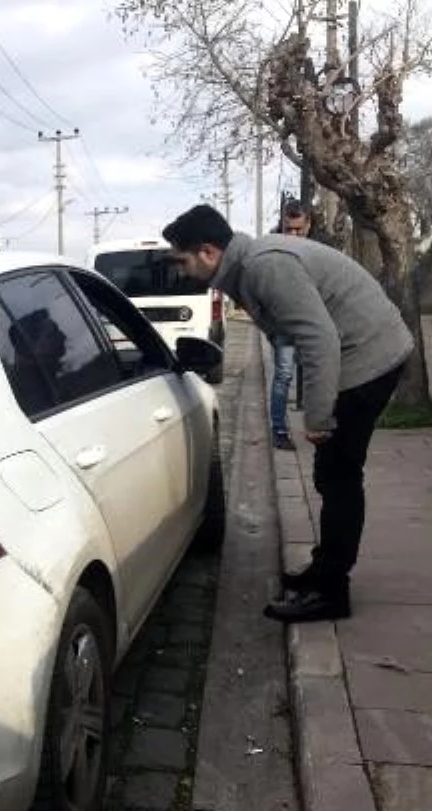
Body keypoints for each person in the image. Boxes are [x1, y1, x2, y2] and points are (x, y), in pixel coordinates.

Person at [162, 204, 413, 623]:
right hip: (363, 351)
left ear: (208, 252)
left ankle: (332, 591)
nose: (183, 271)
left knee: (338, 476)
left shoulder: (264, 267)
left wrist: (317, 417)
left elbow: (320, 339)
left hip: (369, 357)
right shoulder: (247, 268)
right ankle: (324, 570)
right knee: (331, 474)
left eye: (184, 260)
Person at [268, 199, 319, 451]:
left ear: (308, 224)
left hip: (312, 323)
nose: (295, 234)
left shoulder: (317, 250)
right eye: (290, 229)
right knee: (284, 375)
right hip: (284, 325)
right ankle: (278, 429)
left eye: (299, 229)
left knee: (314, 375)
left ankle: (317, 425)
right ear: (283, 224)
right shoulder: (271, 248)